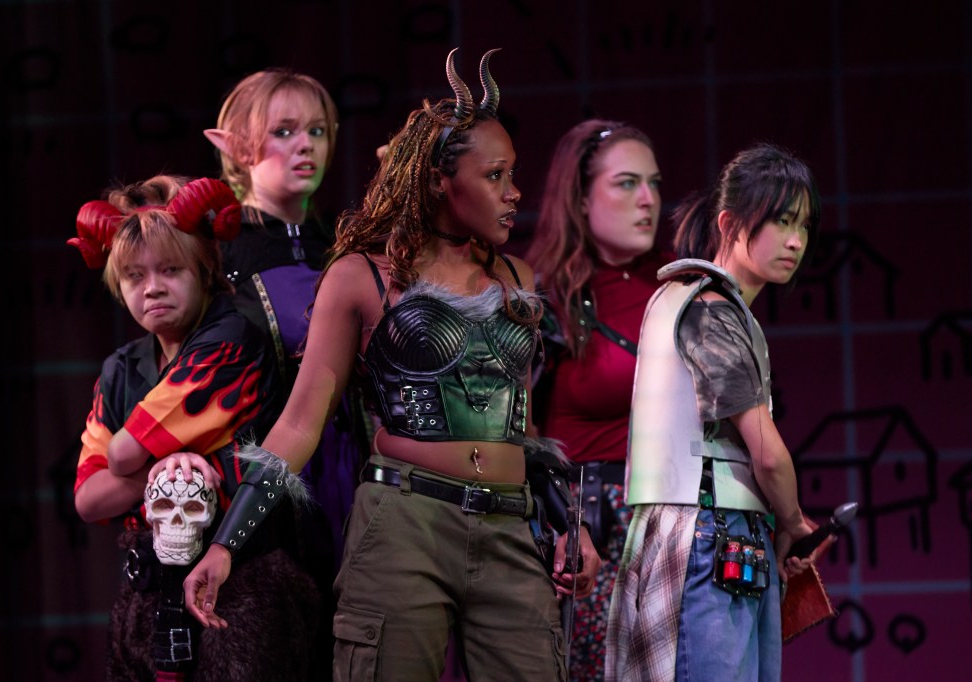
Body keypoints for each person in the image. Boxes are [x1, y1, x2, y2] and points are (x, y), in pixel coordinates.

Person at [183, 48, 599, 681]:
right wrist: (224, 544)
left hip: (510, 523)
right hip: (407, 521)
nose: (514, 192)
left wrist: (569, 525)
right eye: (495, 175)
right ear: (438, 181)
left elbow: (521, 426)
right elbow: (299, 423)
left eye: (512, 174)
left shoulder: (517, 277)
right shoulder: (360, 276)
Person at [69, 175, 320, 681]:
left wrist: (140, 467)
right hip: (147, 587)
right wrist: (167, 467)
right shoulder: (120, 368)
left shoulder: (230, 342)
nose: (152, 287)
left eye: (170, 269)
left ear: (204, 269)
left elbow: (121, 455)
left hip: (245, 582)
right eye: (135, 276)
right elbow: (89, 498)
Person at [605, 143, 822, 682]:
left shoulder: (689, 297)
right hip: (707, 536)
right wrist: (795, 522)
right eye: (781, 221)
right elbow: (767, 454)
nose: (796, 240)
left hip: (701, 532)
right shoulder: (711, 309)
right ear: (729, 223)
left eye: (803, 225)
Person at [203, 68, 366, 570]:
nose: (305, 145)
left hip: (353, 471)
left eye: (317, 130)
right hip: (261, 474)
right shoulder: (215, 256)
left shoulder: (344, 247)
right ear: (236, 147)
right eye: (284, 131)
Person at [525, 119, 670, 680]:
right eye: (627, 183)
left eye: (654, 184)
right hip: (585, 529)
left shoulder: (679, 289)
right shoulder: (543, 300)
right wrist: (565, 522)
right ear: (581, 199)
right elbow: (516, 429)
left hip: (670, 523)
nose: (648, 199)